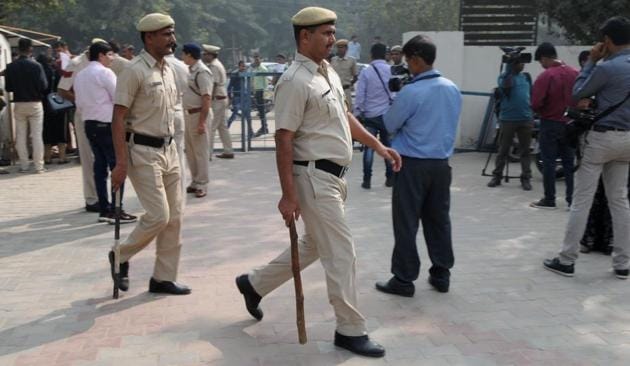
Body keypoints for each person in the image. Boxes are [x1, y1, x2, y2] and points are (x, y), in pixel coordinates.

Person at [235, 6, 402, 358]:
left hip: (333, 178)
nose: (332, 39)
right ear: (304, 37)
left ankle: (253, 284)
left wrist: (379, 146)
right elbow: (283, 138)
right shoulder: (294, 80)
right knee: (342, 253)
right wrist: (287, 195)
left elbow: (345, 116)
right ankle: (350, 329)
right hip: (312, 178)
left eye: (332, 32)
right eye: (325, 33)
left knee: (314, 245)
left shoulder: (326, 72)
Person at [543, 16, 630, 280]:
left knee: (582, 199)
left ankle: (567, 259)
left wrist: (592, 60)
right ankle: (623, 263)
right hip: (627, 139)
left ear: (607, 40)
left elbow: (577, 92)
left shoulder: (607, 67)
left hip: (601, 139)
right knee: (620, 200)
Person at [375, 34, 462, 297]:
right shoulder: (451, 88)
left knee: (406, 222)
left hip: (411, 165)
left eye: (407, 60)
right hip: (441, 165)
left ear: (414, 60)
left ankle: (403, 279)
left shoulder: (411, 92)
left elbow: (390, 124)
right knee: (439, 221)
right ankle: (441, 274)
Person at [110, 13, 191, 295]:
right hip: (142, 151)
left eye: (172, 33)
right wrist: (120, 163)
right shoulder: (134, 71)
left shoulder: (168, 69)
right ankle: (119, 255)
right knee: (159, 215)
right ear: (149, 37)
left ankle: (163, 278)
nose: (173, 39)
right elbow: (118, 117)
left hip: (169, 150)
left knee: (176, 217)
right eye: (166, 34)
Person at [74, 41, 136, 224]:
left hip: (89, 123)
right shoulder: (105, 72)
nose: (112, 58)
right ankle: (117, 209)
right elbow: (119, 98)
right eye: (109, 55)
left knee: (99, 167)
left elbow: (79, 102)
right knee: (117, 166)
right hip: (107, 124)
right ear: (100, 55)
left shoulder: (81, 75)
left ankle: (104, 209)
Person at [58, 39, 106, 212]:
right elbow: (63, 89)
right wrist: (80, 100)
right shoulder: (76, 64)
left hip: (104, 116)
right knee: (88, 158)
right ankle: (92, 199)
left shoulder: (106, 62)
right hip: (85, 115)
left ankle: (104, 196)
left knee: (104, 158)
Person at [530, 42, 579, 209]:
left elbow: (536, 103)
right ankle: (572, 200)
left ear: (544, 57)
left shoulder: (546, 76)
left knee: (549, 162)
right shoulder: (575, 73)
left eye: (540, 61)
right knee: (569, 162)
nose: (541, 65)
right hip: (571, 124)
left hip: (550, 123)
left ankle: (549, 199)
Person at [486, 61, 534, 191]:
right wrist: (509, 67)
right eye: (518, 62)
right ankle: (497, 176)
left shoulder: (526, 77)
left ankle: (526, 178)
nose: (522, 64)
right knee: (503, 150)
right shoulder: (504, 78)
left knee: (525, 151)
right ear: (512, 64)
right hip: (508, 119)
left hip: (526, 118)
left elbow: (532, 94)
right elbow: (506, 87)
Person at [4, 38, 48, 173]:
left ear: (18, 49)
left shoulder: (11, 67)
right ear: (30, 49)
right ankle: (38, 165)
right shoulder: (36, 66)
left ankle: (23, 165)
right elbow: (44, 86)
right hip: (35, 102)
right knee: (36, 135)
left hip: (18, 103)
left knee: (21, 135)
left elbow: (8, 87)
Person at [354, 43, 394, 189]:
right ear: (385, 55)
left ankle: (367, 180)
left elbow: (360, 95)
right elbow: (394, 93)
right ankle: (390, 178)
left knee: (369, 148)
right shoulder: (391, 70)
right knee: (388, 147)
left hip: (370, 116)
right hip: (386, 116)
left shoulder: (366, 72)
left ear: (371, 55)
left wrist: (358, 113)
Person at [182, 43, 213, 198]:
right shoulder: (189, 71)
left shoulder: (202, 72)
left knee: (200, 151)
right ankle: (195, 180)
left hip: (199, 114)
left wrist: (202, 122)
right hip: (188, 115)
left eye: (183, 54)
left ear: (189, 55)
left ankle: (202, 183)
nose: (182, 58)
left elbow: (206, 98)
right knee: (191, 151)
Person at [202, 44, 234, 159]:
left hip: (217, 99)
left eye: (205, 54)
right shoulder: (215, 64)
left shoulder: (214, 66)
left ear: (211, 55)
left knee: (211, 127)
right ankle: (228, 150)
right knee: (222, 127)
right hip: (221, 98)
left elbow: (213, 84)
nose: (203, 55)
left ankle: (207, 154)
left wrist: (209, 101)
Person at [36, 53, 70, 165]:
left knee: (46, 131)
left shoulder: (38, 72)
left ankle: (47, 157)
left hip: (44, 105)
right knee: (61, 130)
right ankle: (62, 157)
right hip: (58, 104)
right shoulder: (57, 73)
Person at [226, 60, 253, 137]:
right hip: (237, 96)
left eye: (244, 66)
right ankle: (227, 128)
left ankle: (250, 131)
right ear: (239, 66)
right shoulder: (235, 75)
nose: (243, 67)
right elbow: (229, 87)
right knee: (235, 113)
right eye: (242, 66)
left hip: (245, 97)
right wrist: (230, 97)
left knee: (248, 115)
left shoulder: (247, 74)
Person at [330, 39, 358, 111]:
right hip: (334, 91)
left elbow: (355, 77)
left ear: (346, 49)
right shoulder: (333, 60)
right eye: (338, 47)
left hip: (346, 90)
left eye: (342, 47)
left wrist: (349, 84)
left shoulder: (352, 60)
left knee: (347, 111)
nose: (340, 49)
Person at [249, 53, 269, 137]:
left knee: (262, 110)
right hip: (257, 91)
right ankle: (264, 127)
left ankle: (264, 127)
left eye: (257, 59)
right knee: (260, 111)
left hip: (262, 91)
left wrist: (266, 95)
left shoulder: (263, 69)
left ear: (261, 59)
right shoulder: (255, 69)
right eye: (255, 59)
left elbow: (266, 83)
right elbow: (253, 81)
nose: (256, 61)